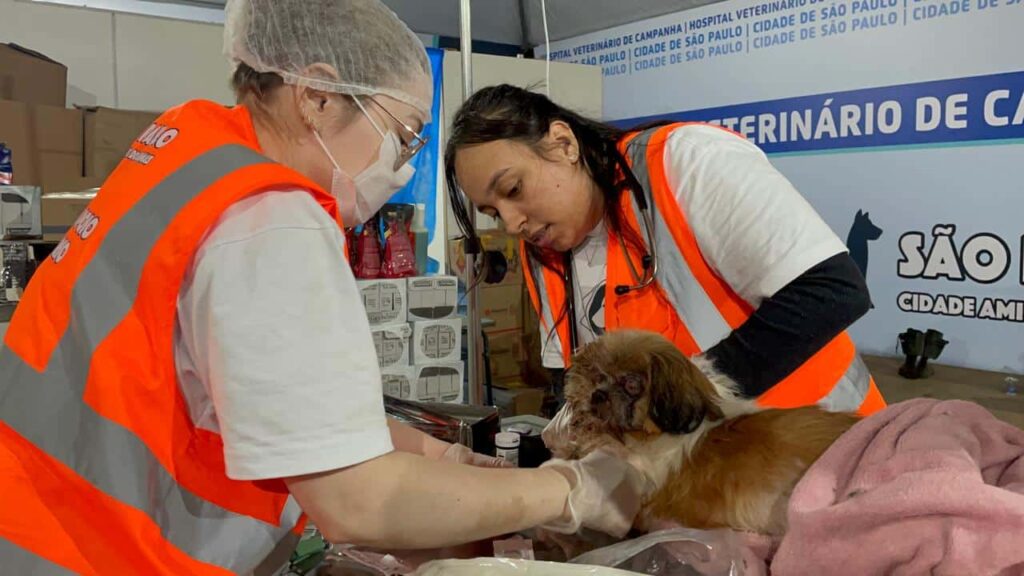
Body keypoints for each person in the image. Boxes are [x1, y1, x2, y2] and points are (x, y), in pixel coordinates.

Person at [0, 2, 647, 574]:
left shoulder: (190, 151)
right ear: (317, 96)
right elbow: (360, 501)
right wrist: (569, 492)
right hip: (102, 552)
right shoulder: (269, 219)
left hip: (37, 522)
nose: (399, 166)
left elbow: (255, 394)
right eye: (401, 135)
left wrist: (436, 459)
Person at [445, 85, 887, 422]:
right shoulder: (544, 250)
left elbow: (833, 290)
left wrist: (683, 398)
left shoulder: (686, 162)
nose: (511, 223)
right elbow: (572, 383)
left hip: (821, 446)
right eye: (491, 212)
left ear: (564, 143)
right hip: (707, 489)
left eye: (513, 190)